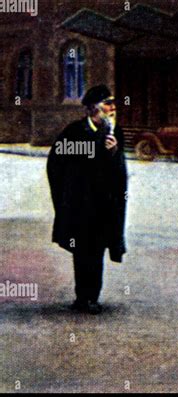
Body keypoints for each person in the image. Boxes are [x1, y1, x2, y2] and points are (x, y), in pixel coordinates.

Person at [47, 85, 128, 314]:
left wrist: (113, 154)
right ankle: (83, 297)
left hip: (104, 206)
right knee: (82, 251)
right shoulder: (75, 131)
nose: (112, 108)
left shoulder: (115, 133)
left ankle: (92, 296)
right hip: (80, 206)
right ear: (94, 108)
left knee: (98, 250)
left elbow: (118, 171)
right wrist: (64, 196)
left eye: (113, 104)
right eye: (108, 104)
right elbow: (57, 162)